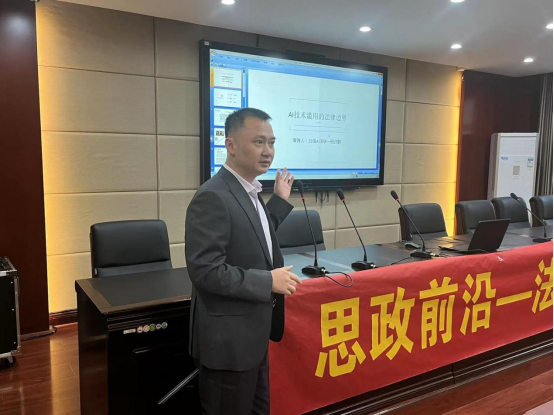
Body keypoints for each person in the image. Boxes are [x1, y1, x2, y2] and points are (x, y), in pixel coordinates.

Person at [185, 108, 302, 414]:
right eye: (259, 142)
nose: (268, 152)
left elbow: (255, 238)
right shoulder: (213, 195)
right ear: (231, 145)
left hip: (252, 336)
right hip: (229, 344)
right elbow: (205, 270)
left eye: (272, 143)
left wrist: (279, 201)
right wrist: (268, 281)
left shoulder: (248, 191)